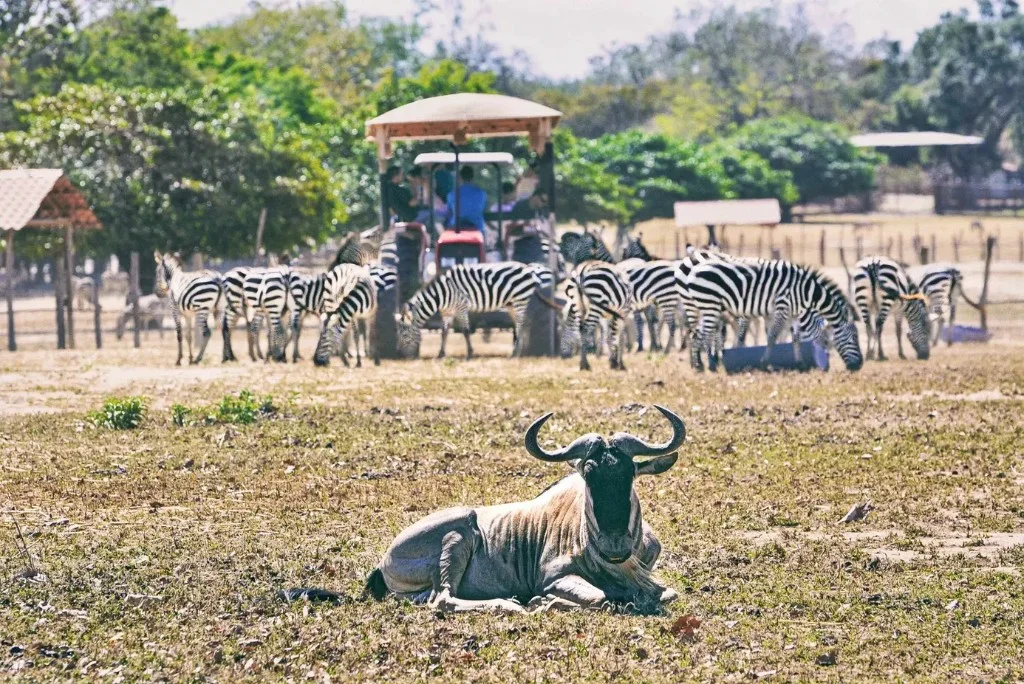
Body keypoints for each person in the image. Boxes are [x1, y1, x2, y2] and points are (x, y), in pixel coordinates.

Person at [447, 166, 488, 231]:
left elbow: (449, 212)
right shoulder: (481, 193)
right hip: (477, 227)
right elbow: (482, 209)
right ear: (473, 177)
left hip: (456, 227)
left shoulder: (452, 194)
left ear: (460, 177)